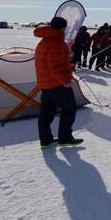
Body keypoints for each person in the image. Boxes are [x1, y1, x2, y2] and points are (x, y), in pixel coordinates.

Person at [35, 17, 82, 149]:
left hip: (45, 83)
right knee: (69, 109)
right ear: (62, 28)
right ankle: (65, 138)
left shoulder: (45, 41)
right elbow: (54, 67)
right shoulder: (56, 42)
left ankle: (46, 140)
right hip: (56, 83)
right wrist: (65, 81)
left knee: (46, 112)